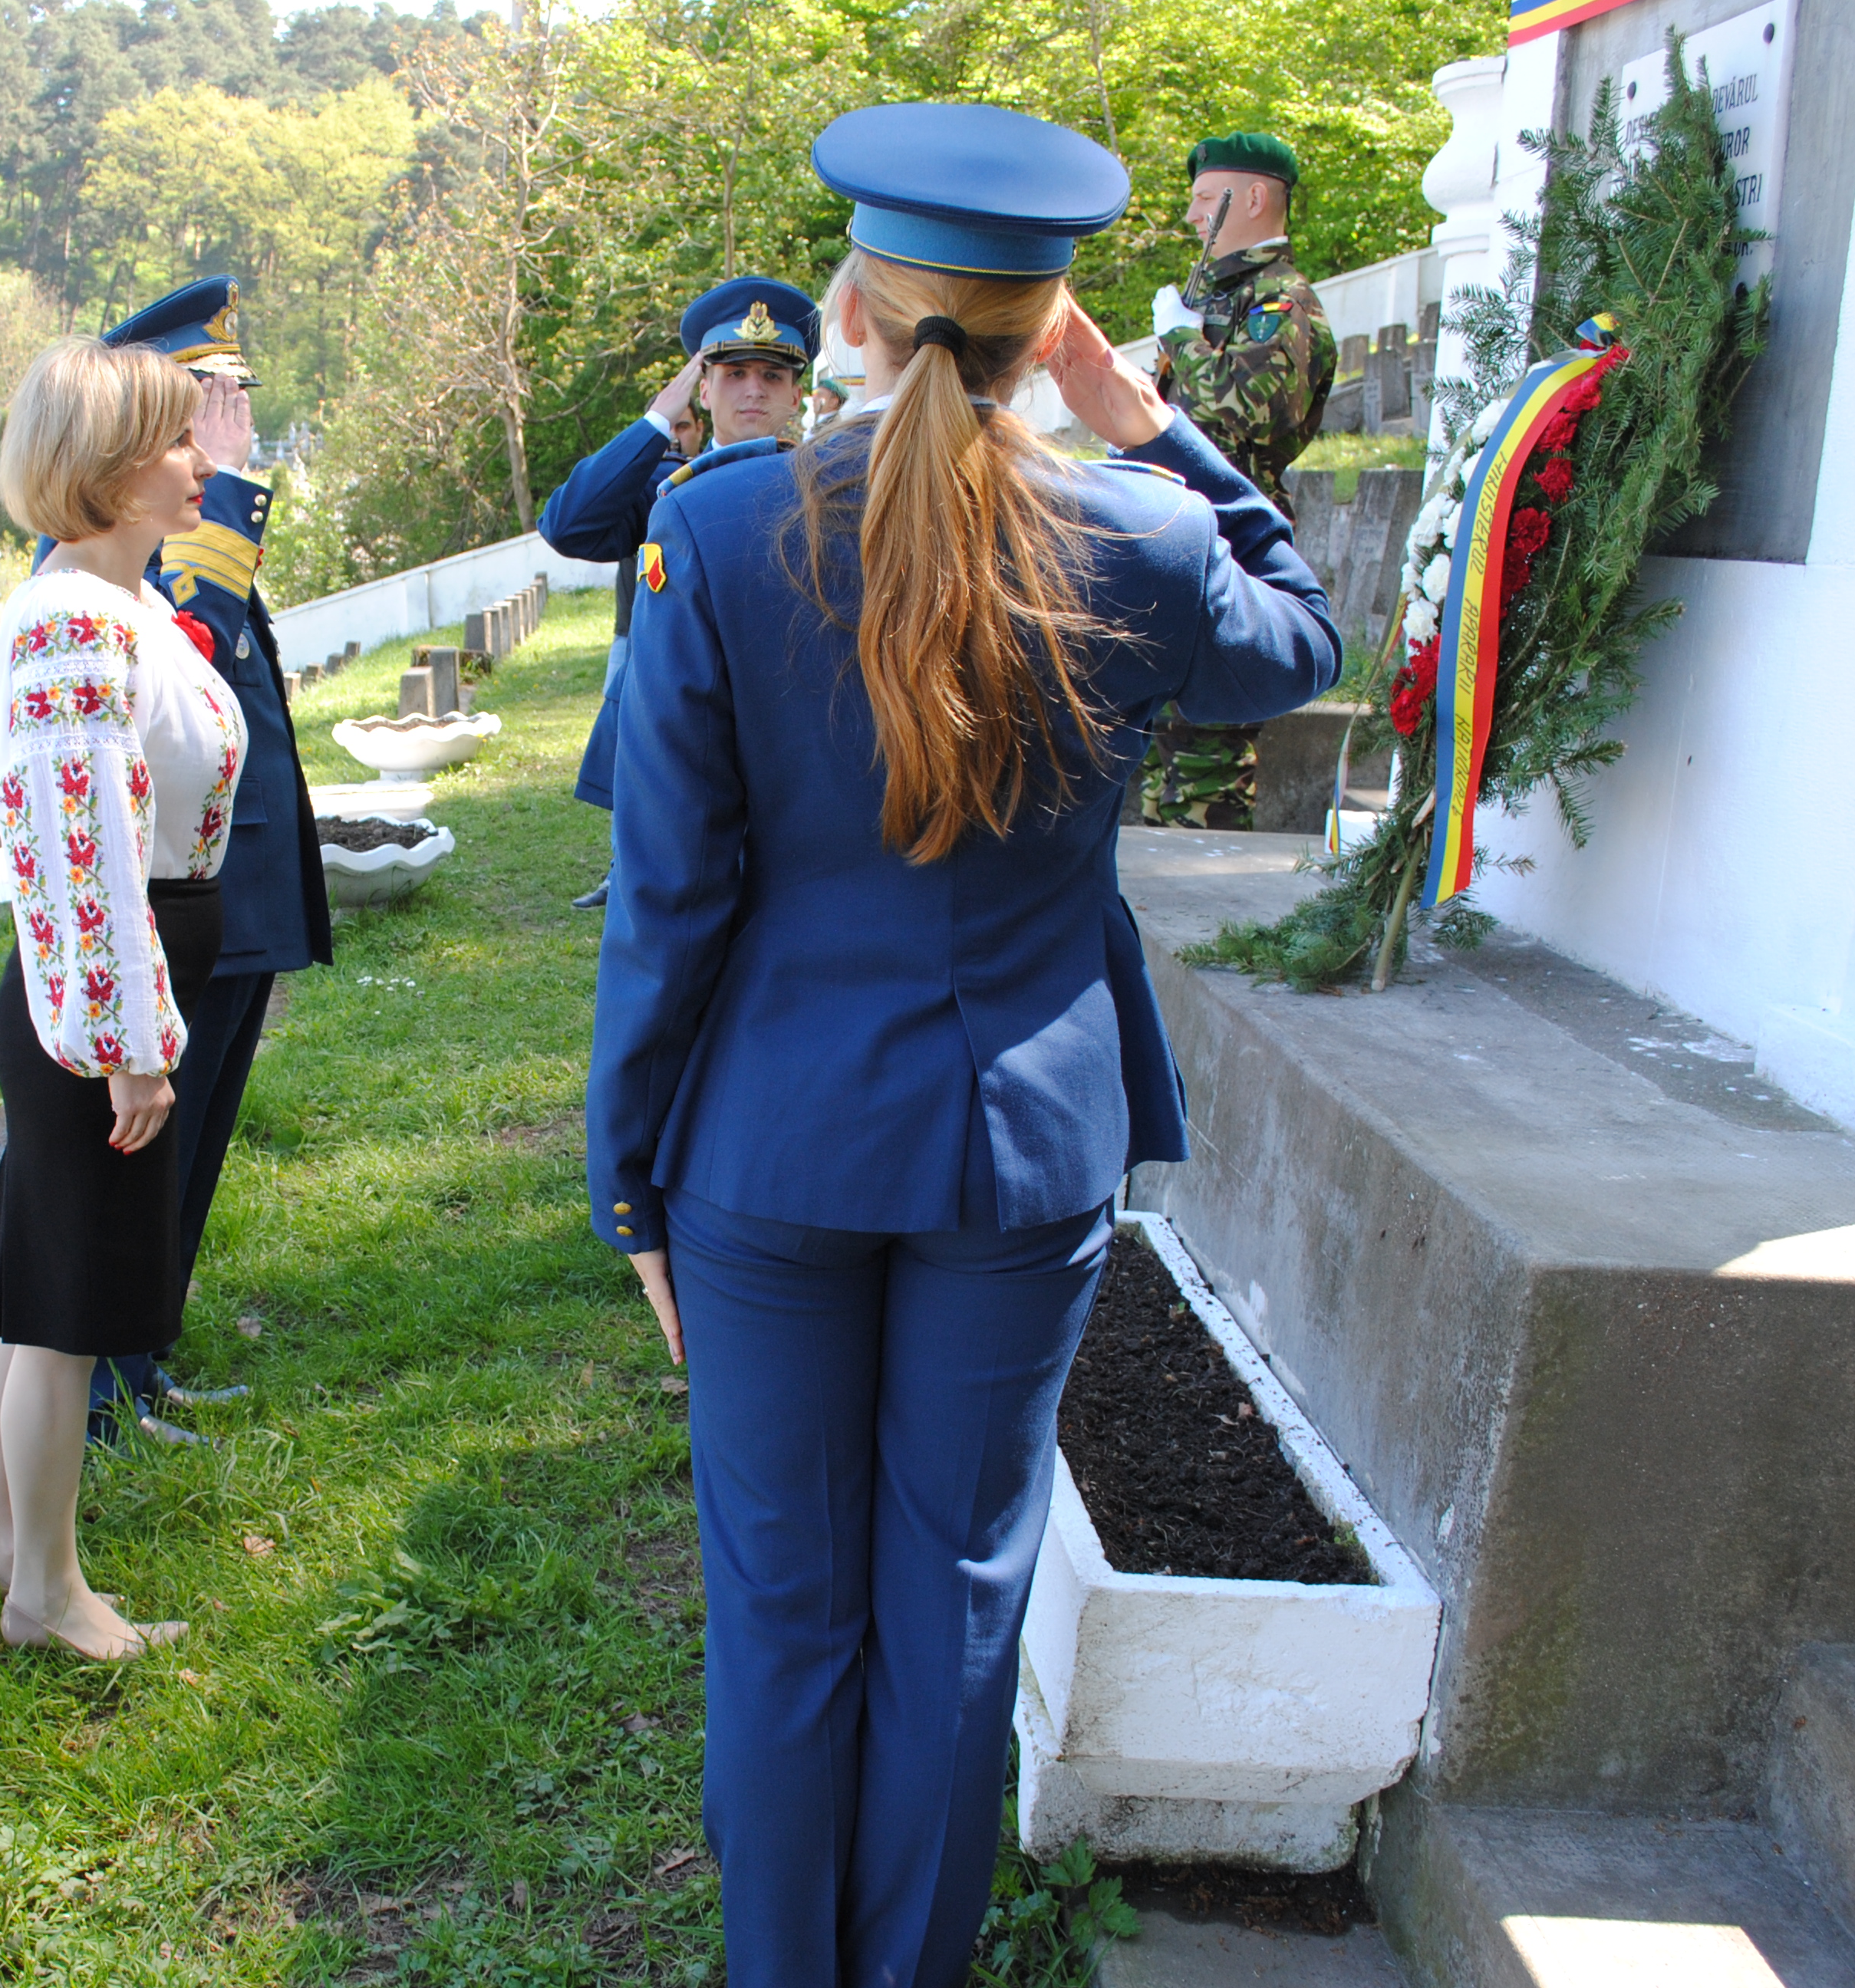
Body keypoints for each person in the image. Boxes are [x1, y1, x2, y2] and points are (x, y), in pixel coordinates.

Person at [587, 101, 1339, 1983]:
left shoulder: (721, 528)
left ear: (848, 306)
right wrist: (1144, 415)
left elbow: (667, 908)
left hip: (766, 1152)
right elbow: (1304, 638)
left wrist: (634, 1187)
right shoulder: (1149, 534)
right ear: (1052, 317)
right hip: (1020, 1154)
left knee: (784, 1611)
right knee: (958, 1598)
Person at [0, 336, 248, 1658]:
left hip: (105, 992)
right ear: (118, 469)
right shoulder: (76, 614)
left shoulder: (118, 603)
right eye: (181, 439)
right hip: (103, 1001)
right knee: (64, 1315)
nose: (203, 458)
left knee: (29, 1283)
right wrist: (130, 1047)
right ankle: (47, 1594)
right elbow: (84, 854)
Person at [53, 278, 334, 1445]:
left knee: (202, 1138)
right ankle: (108, 1387)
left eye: (229, 396)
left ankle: (145, 1355)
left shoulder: (187, 517)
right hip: (173, 894)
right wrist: (222, 503)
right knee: (151, 1156)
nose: (229, 421)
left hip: (234, 882)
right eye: (207, 399)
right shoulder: (104, 541)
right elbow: (192, 652)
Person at [536, 276, 818, 908]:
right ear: (705, 384)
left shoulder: (825, 489)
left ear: (797, 392)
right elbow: (567, 524)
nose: (753, 389)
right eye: (736, 371)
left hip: (789, 736)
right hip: (684, 742)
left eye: (772, 377)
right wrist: (658, 419)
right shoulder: (664, 487)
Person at [1141, 130, 1336, 829]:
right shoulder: (1217, 299)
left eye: (1204, 199)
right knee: (1161, 748)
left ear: (1253, 198)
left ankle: (1202, 908)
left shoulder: (1285, 302)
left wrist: (1181, 340)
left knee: (1210, 752)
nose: (1194, 216)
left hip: (1232, 534)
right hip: (1173, 529)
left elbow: (1251, 409)